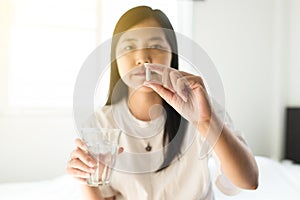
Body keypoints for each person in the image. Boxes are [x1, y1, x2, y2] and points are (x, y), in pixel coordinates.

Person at [66, 6, 259, 200]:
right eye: (128, 47)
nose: (142, 58)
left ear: (171, 55)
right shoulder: (100, 124)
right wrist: (85, 179)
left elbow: (248, 181)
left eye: (156, 46)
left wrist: (206, 121)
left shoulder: (201, 107)